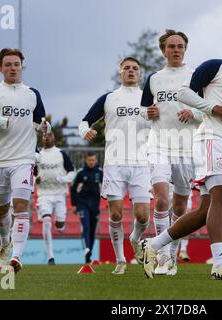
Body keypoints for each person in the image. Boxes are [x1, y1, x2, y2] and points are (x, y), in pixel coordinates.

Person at [140, 31, 222, 280]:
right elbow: (184, 94)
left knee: (204, 210)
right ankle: (220, 264)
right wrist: (214, 108)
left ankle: (152, 246)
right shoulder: (216, 67)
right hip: (210, 138)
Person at [0, 48, 50, 273]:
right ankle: (5, 243)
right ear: (0, 68)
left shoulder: (33, 93)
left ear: (22, 66)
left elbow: (40, 122)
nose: (13, 68)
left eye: (16, 64)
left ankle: (16, 257)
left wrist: (45, 127)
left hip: (24, 160)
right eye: (8, 65)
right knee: (2, 212)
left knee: (21, 207)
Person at [78, 57, 151, 274]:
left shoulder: (149, 98)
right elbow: (84, 121)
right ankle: (120, 260)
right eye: (126, 68)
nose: (130, 71)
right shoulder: (109, 98)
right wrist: (85, 131)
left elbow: (162, 122)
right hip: (115, 164)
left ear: (140, 74)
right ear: (120, 73)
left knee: (143, 216)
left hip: (141, 164)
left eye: (135, 68)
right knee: (116, 214)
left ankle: (135, 238)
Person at [141, 29, 202, 275]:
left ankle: (173, 255)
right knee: (162, 199)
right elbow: (143, 110)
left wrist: (194, 113)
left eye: (179, 46)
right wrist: (148, 113)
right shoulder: (154, 78)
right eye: (171, 46)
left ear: (185, 49)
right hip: (158, 146)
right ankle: (162, 256)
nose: (175, 50)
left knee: (179, 207)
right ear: (163, 50)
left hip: (187, 149)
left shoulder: (196, 76)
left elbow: (208, 109)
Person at [35, 132, 76, 265]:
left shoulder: (61, 154)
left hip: (59, 194)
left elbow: (72, 172)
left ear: (54, 138)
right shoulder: (38, 156)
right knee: (47, 221)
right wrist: (36, 178)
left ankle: (60, 224)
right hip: (44, 194)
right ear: (42, 139)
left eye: (50, 136)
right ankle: (50, 257)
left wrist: (63, 179)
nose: (47, 138)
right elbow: (31, 173)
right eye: (44, 136)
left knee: (59, 226)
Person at [70, 153, 103, 265]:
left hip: (95, 205)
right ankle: (87, 249)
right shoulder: (80, 172)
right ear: (86, 160)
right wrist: (74, 204)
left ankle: (89, 254)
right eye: (89, 160)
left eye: (93, 160)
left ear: (96, 160)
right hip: (82, 204)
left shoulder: (100, 172)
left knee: (93, 231)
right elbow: (73, 188)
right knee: (86, 226)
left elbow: (106, 186)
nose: (91, 162)